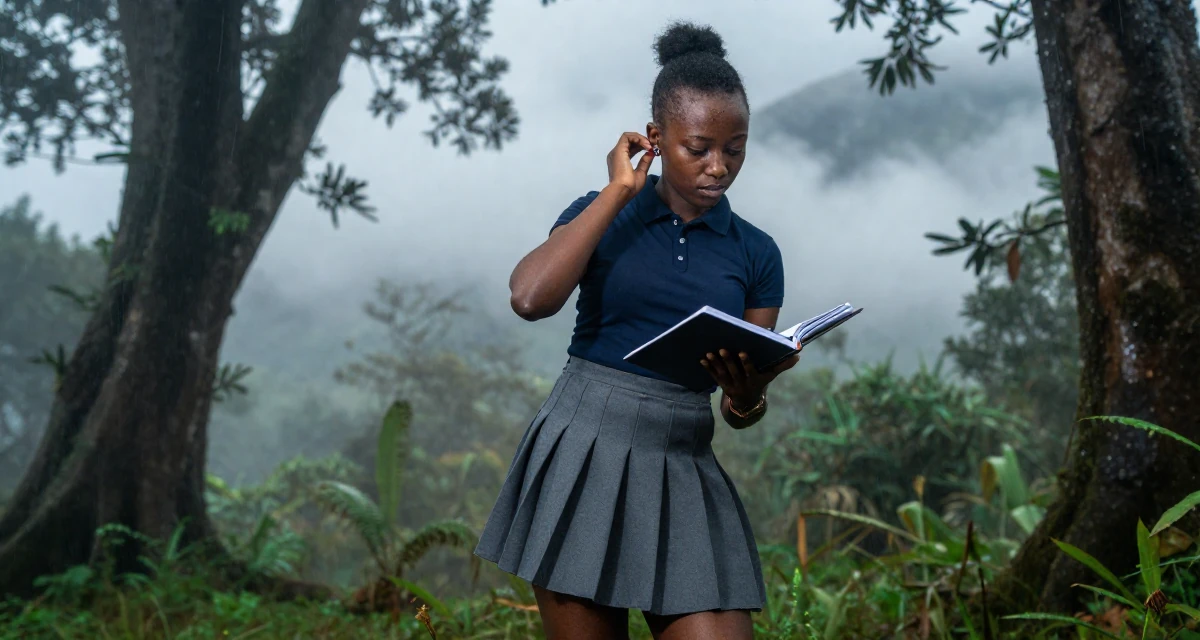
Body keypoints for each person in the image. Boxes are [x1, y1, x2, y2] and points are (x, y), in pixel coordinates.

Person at [473, 20, 800, 640]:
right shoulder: (601, 213)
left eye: (735, 149)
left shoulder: (758, 253)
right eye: (698, 147)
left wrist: (749, 391)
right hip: (584, 451)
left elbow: (741, 409)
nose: (719, 166)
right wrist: (617, 191)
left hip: (684, 460)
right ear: (655, 137)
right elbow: (529, 297)